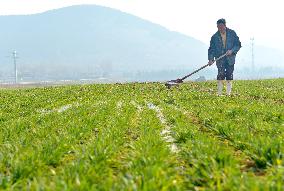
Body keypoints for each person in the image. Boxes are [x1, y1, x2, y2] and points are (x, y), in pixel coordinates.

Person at [208, 18, 241, 96]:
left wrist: (232, 51)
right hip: (220, 59)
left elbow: (238, 45)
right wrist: (210, 59)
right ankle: (219, 94)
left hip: (230, 58)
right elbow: (211, 49)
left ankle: (228, 94)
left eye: (221, 27)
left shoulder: (232, 33)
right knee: (220, 74)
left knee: (229, 74)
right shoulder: (214, 37)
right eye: (218, 27)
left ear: (225, 25)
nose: (220, 28)